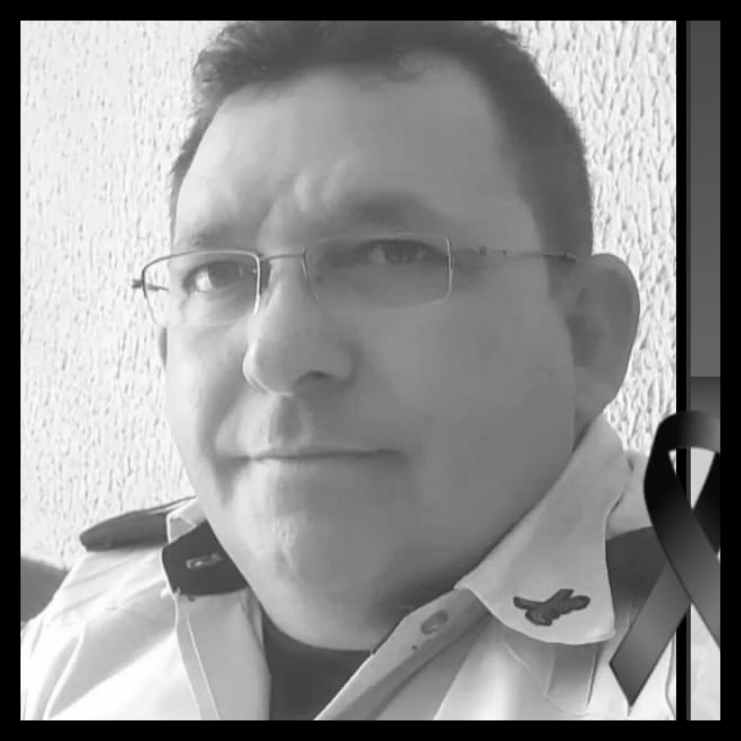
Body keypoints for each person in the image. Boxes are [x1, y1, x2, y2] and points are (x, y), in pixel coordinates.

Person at [21, 21, 676, 720]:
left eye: (391, 254)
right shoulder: (86, 629)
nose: (274, 356)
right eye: (216, 274)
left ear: (585, 335)